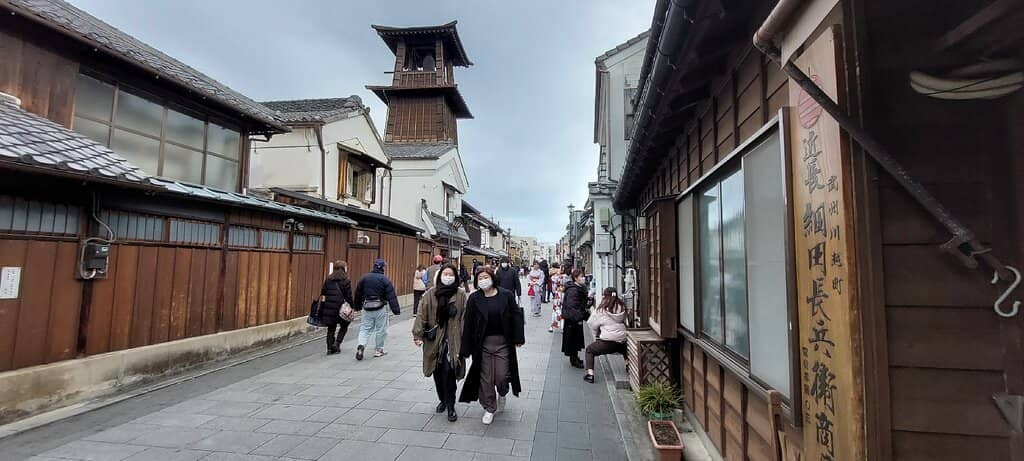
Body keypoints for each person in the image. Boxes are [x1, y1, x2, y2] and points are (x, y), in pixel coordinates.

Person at [459, 267, 525, 425]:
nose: (483, 280)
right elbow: (468, 324)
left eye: (485, 277)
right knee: (486, 379)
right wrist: (465, 348)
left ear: (492, 278)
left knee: (502, 376)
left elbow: (516, 316)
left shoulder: (506, 295)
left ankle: (502, 392)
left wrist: (518, 337)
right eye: (479, 278)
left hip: (503, 342)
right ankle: (489, 407)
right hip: (482, 345)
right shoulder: (474, 298)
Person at [412, 264, 467, 422]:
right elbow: (422, 314)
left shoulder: (461, 294)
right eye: (445, 274)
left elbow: (465, 316)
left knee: (449, 373)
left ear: (456, 277)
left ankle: (451, 405)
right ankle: (442, 399)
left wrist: (465, 338)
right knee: (436, 372)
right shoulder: (431, 293)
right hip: (435, 340)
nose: (448, 277)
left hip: (454, 340)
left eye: (451, 274)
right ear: (440, 276)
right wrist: (418, 334)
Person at [353, 258, 401, 360]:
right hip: (380, 307)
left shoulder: (364, 278)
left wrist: (356, 306)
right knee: (381, 330)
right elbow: (391, 296)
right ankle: (379, 350)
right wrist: (396, 310)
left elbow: (358, 293)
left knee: (365, 328)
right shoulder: (384, 279)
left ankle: (361, 345)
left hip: (366, 307)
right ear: (383, 267)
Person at [583, 287, 628, 383]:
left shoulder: (601, 309)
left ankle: (590, 375)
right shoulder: (623, 307)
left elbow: (591, 323)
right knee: (625, 350)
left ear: (604, 296)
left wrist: (597, 335)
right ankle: (628, 364)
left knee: (589, 350)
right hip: (622, 340)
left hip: (607, 342)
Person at [320, 260, 355, 354]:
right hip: (341, 308)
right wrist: (352, 306)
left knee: (331, 328)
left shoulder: (328, 279)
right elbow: (349, 296)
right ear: (344, 268)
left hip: (329, 307)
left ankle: (329, 348)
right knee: (344, 325)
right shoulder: (346, 280)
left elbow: (323, 292)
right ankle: (337, 343)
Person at [561, 269, 591, 368]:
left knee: (576, 339)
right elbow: (572, 306)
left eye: (583, 276)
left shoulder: (579, 287)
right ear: (575, 278)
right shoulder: (573, 290)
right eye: (581, 277)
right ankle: (573, 359)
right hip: (572, 319)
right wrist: (581, 316)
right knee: (573, 339)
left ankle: (575, 357)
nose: (583, 278)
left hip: (575, 317)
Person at [548, 263, 566, 333]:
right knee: (562, 309)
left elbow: (553, 288)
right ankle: (562, 326)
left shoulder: (554, 277)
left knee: (556, 310)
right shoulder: (565, 277)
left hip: (558, 295)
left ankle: (552, 325)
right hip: (563, 294)